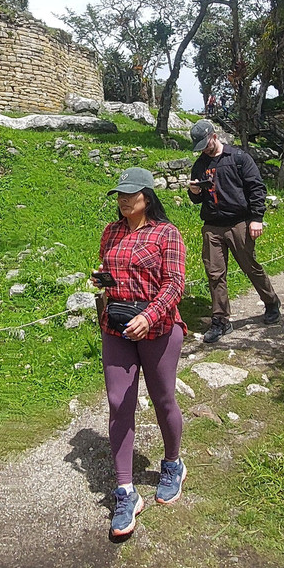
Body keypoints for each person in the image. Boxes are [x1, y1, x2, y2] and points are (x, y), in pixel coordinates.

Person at [92, 166, 188, 540]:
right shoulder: (111, 231)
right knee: (119, 402)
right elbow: (110, 271)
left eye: (130, 194)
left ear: (147, 197)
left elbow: (175, 284)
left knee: (163, 400)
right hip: (116, 326)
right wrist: (102, 280)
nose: (123, 200)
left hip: (158, 328)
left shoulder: (167, 233)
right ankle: (125, 492)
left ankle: (173, 464)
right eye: (120, 194)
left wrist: (149, 316)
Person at [186, 120, 280, 343]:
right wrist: (194, 192)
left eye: (206, 145)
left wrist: (256, 219)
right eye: (200, 147)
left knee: (250, 266)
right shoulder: (199, 165)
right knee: (215, 273)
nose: (204, 150)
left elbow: (256, 188)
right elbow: (197, 199)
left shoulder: (239, 158)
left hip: (239, 223)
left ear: (214, 136)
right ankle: (220, 320)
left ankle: (271, 302)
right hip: (212, 226)